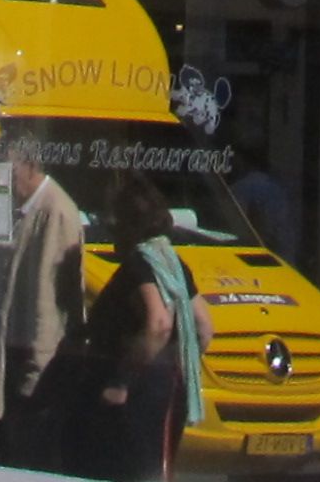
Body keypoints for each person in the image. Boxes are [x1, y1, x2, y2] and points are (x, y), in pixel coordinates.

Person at [72, 178, 203, 482]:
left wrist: (122, 381)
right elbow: (204, 327)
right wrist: (178, 367)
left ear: (129, 223)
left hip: (134, 398)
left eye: (114, 219)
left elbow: (158, 324)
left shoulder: (141, 263)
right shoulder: (173, 263)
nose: (110, 228)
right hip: (167, 392)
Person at [0, 139, 84, 450]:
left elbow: (54, 299)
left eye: (9, 171)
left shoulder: (55, 211)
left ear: (31, 167)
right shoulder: (23, 207)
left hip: (35, 360)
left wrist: (39, 359)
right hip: (14, 352)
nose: (3, 180)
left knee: (28, 445)